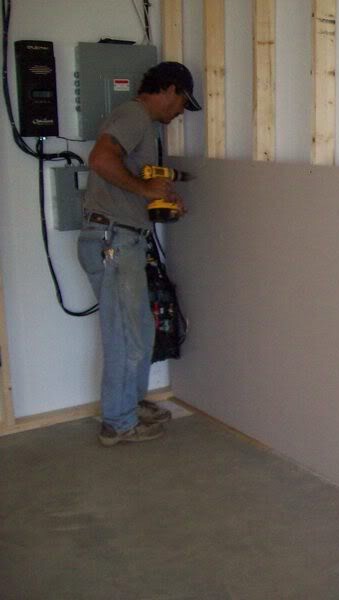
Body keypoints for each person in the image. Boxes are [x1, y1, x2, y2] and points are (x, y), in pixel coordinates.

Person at [78, 62, 202, 446]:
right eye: (181, 102)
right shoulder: (134, 116)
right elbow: (100, 159)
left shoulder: (142, 124)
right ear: (169, 89)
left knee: (140, 330)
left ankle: (129, 403)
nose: (180, 112)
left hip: (121, 239)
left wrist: (159, 197)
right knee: (125, 335)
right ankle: (118, 422)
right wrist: (145, 190)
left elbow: (131, 180)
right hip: (113, 241)